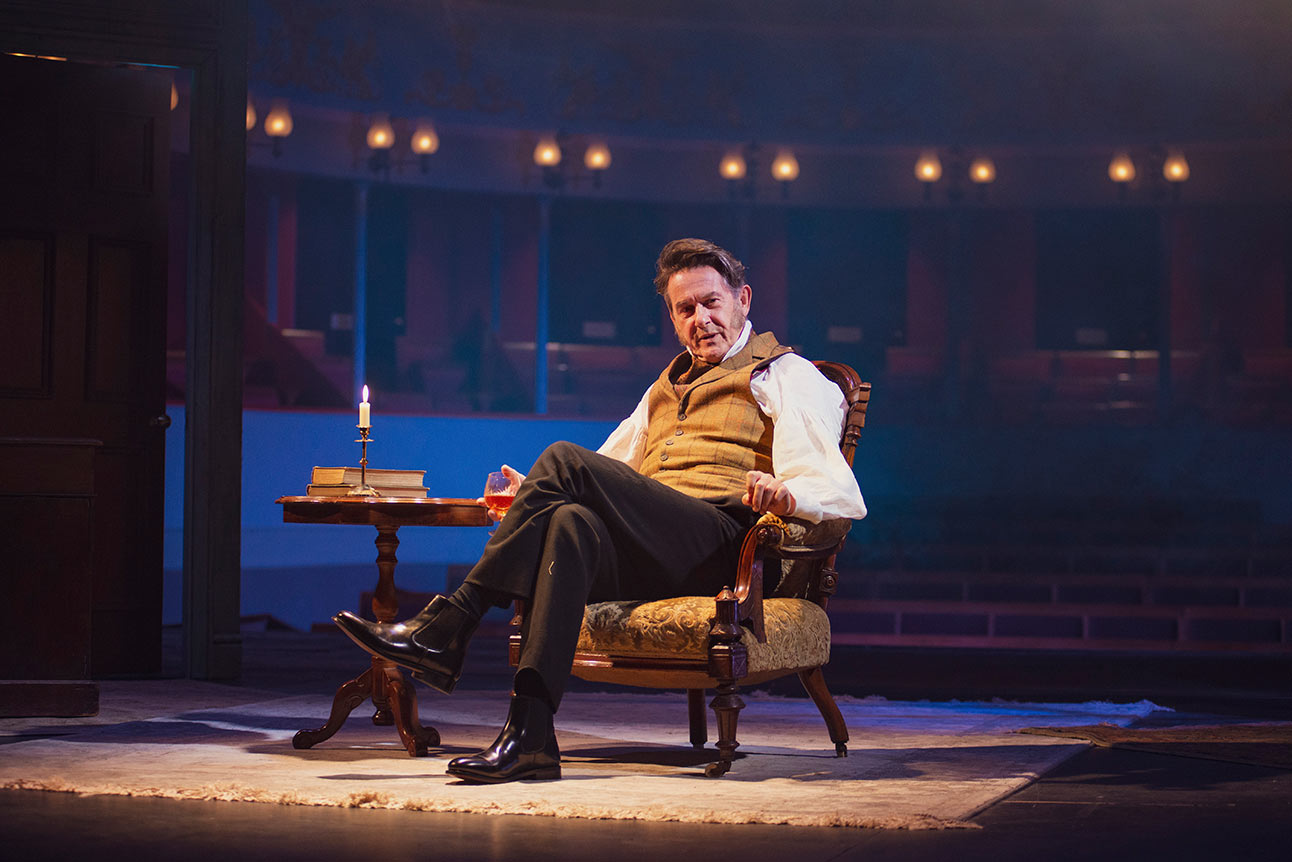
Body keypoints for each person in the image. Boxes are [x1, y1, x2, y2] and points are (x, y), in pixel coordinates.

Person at [334, 238, 866, 783]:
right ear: (672, 318)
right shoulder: (666, 385)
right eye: (685, 309)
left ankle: (450, 624)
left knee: (564, 459)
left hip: (725, 545)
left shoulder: (784, 373)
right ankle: (530, 736)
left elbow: (834, 485)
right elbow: (613, 467)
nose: (700, 319)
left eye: (711, 302)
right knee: (569, 522)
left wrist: (787, 495)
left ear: (743, 299)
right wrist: (535, 493)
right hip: (661, 548)